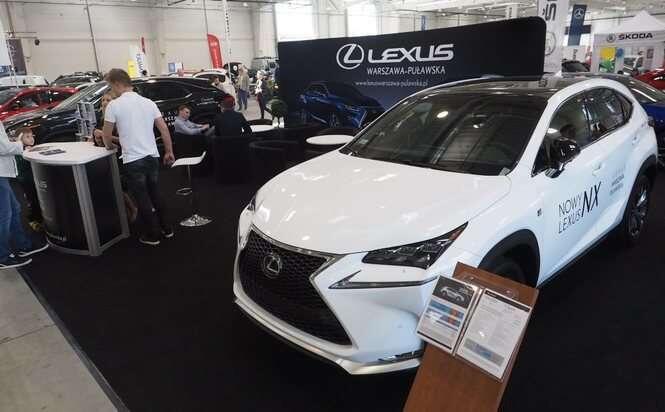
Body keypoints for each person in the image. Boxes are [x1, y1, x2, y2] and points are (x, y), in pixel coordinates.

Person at [102, 68, 174, 246]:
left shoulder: (114, 105)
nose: (111, 90)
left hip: (133, 160)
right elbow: (164, 129)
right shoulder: (148, 102)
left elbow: (106, 135)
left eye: (111, 86)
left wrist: (110, 146)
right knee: (155, 193)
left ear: (117, 84)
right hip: (152, 156)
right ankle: (167, 229)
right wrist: (169, 151)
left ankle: (153, 235)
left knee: (142, 198)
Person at [0, 121, 48, 269]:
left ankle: (23, 245)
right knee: (4, 215)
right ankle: (2, 256)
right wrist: (19, 143)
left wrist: (13, 142)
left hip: (3, 173)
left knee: (14, 209)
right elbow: (2, 148)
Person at [92, 92, 138, 223]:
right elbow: (97, 136)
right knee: (114, 185)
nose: (105, 102)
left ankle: (136, 208)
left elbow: (125, 140)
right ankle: (129, 209)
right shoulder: (102, 119)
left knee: (123, 185)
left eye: (108, 100)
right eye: (103, 100)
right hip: (107, 156)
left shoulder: (120, 119)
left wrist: (104, 135)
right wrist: (95, 135)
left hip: (121, 156)